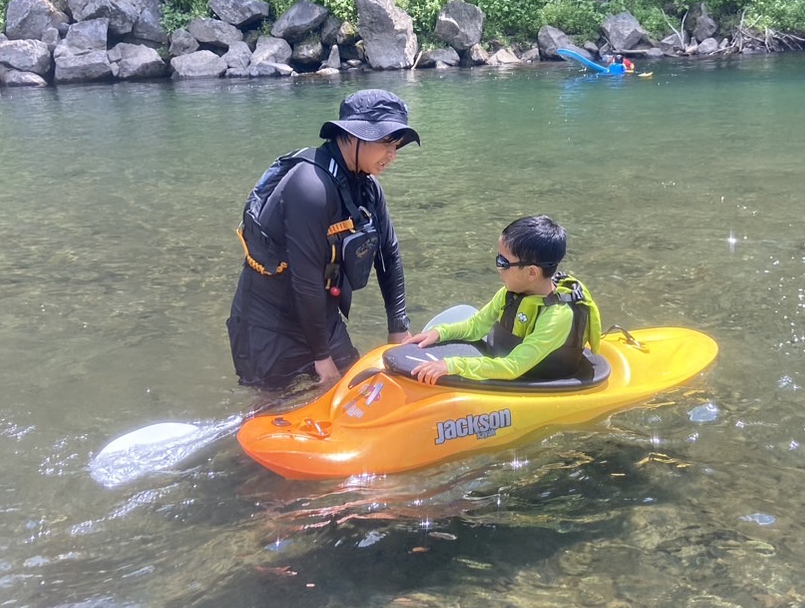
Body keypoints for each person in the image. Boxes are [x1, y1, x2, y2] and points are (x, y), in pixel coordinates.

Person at [227, 89, 418, 391]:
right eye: (385, 143)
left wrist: (398, 328)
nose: (392, 155)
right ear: (353, 136)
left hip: (320, 313)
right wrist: (321, 356)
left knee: (352, 390)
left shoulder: (367, 187)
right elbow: (305, 279)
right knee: (274, 406)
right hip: (269, 321)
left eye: (397, 145)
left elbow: (388, 255)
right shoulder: (310, 185)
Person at [405, 215, 601, 384]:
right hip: (508, 363)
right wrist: (439, 333)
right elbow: (476, 326)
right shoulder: (509, 294)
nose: (498, 267)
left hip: (537, 379)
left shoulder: (557, 316)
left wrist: (453, 365)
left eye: (503, 262)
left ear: (532, 272)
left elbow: (513, 367)